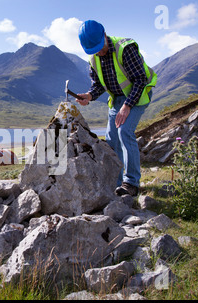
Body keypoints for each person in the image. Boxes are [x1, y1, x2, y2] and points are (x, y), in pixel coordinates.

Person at [76, 20, 157, 197]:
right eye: (94, 50)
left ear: (105, 35)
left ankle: (131, 183)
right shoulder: (94, 59)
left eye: (99, 47)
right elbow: (98, 85)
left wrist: (127, 106)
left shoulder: (125, 48)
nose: (99, 52)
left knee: (125, 132)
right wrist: (89, 96)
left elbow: (141, 79)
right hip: (117, 99)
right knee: (112, 140)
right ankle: (116, 182)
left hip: (138, 93)